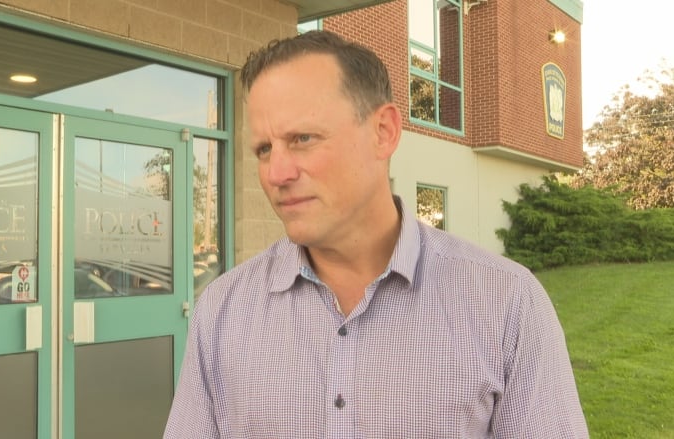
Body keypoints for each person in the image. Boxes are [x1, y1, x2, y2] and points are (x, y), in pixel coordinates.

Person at [164, 30, 588, 438]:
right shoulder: (221, 311)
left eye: (303, 138)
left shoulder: (506, 303)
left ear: (383, 132)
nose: (277, 174)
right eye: (264, 149)